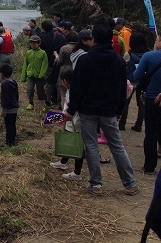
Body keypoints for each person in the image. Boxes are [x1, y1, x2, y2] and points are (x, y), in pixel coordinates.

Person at [66, 17, 139, 196]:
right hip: (109, 110)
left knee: (91, 145)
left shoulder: (85, 60)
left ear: (95, 40)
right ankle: (130, 184)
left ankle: (96, 184)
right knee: (117, 145)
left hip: (87, 110)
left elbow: (77, 88)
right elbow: (122, 88)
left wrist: (71, 110)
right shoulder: (119, 61)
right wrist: (119, 110)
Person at [50, 67, 85, 180]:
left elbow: (70, 109)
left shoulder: (74, 91)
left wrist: (53, 119)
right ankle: (63, 162)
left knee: (77, 146)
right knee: (69, 142)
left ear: (64, 81)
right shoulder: (74, 89)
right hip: (72, 121)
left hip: (75, 122)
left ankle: (77, 173)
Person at [133, 34, 161, 175]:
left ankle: (149, 167)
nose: (155, 42)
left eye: (156, 40)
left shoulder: (149, 56)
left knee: (151, 133)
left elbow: (137, 76)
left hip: (152, 99)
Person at [119, 32, 148, 132]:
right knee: (141, 104)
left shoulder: (128, 54)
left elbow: (123, 65)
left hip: (129, 82)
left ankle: (122, 123)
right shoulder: (147, 55)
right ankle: (139, 125)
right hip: (142, 82)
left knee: (125, 102)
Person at [39, 20, 65, 106]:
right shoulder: (60, 36)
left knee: (48, 81)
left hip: (47, 63)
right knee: (59, 82)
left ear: (43, 28)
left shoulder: (41, 37)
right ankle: (58, 101)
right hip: (59, 62)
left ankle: (47, 100)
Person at [21, 35, 48, 110]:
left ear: (39, 43)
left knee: (41, 91)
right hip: (30, 75)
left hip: (39, 76)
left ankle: (47, 102)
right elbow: (25, 64)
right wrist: (23, 76)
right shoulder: (28, 52)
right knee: (30, 89)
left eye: (34, 43)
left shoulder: (43, 53)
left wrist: (41, 74)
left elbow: (45, 65)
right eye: (31, 43)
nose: (32, 44)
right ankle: (31, 103)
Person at [0, 63, 19, 146]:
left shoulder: (4, 84)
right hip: (14, 107)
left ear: (2, 74)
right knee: (12, 125)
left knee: (8, 126)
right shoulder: (14, 82)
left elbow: (5, 99)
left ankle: (9, 142)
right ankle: (13, 140)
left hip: (9, 109)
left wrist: (3, 110)